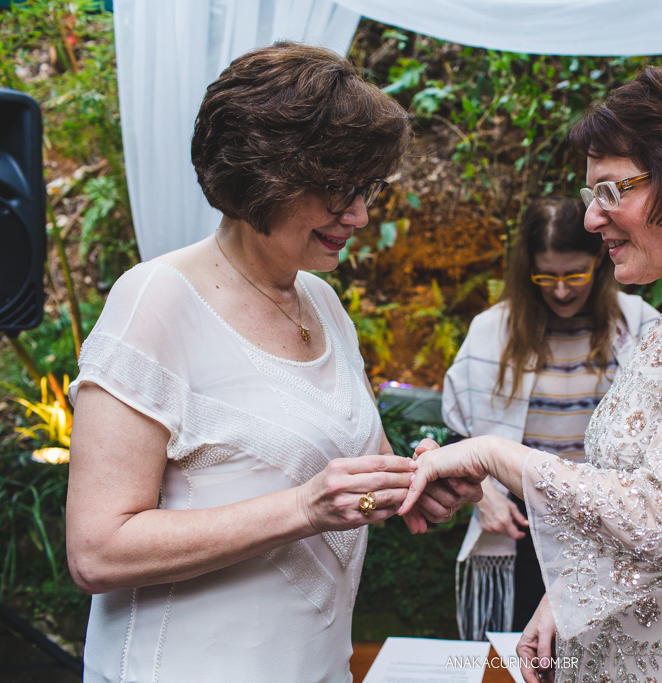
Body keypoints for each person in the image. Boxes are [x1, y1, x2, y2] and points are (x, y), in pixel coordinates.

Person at [65, 42, 479, 683]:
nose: (360, 215)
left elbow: (351, 474)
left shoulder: (322, 302)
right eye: (338, 191)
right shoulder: (156, 299)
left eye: (366, 189)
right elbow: (97, 551)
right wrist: (304, 508)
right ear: (263, 176)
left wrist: (418, 484)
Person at [402, 65, 662, 683]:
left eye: (613, 191)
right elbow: (632, 502)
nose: (593, 218)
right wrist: (563, 594)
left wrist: (492, 454)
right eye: (593, 195)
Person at [443, 197, 659, 639]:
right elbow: (456, 436)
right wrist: (484, 497)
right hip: (522, 525)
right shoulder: (492, 332)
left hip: (609, 525)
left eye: (575, 274)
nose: (561, 290)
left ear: (600, 260)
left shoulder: (639, 324)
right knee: (519, 649)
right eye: (546, 276)